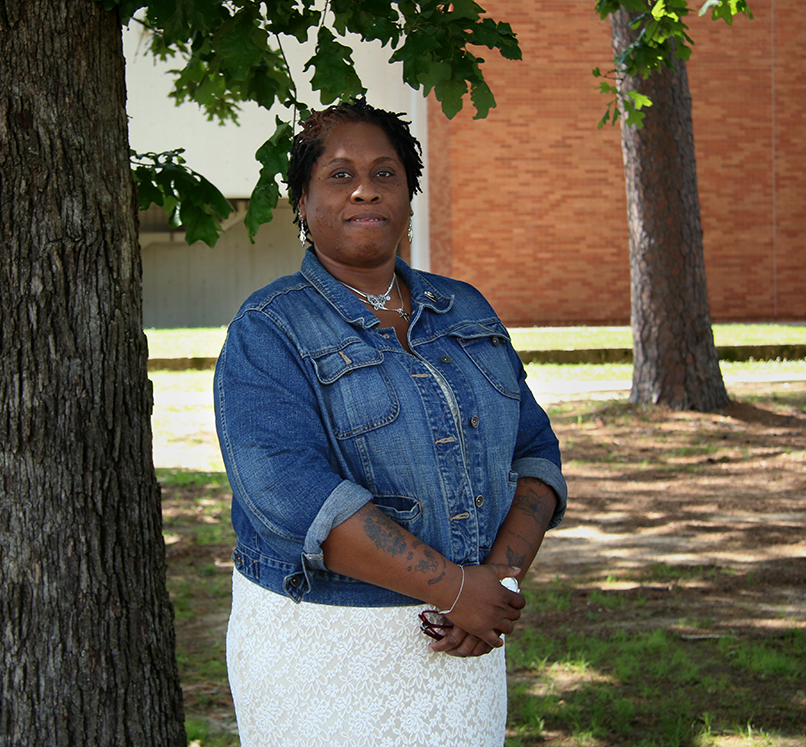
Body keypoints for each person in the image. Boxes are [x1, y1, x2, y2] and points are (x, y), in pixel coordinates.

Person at [214, 98, 566, 746]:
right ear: (302, 201)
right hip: (325, 645)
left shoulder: (466, 309)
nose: (365, 190)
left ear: (408, 195)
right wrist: (458, 586)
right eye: (340, 175)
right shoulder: (269, 328)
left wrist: (497, 586)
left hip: (464, 639)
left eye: (385, 174)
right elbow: (289, 495)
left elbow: (536, 457)